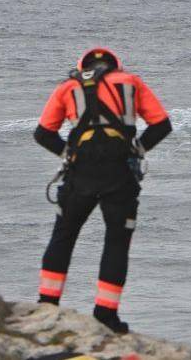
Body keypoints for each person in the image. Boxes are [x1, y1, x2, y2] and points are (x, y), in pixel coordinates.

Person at [33, 48, 172, 334]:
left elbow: (43, 133)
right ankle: (105, 314)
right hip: (119, 173)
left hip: (79, 173)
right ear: (116, 66)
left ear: (82, 67)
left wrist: (67, 154)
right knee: (117, 242)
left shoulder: (67, 87)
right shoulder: (131, 82)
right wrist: (138, 149)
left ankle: (47, 305)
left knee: (63, 235)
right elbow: (162, 125)